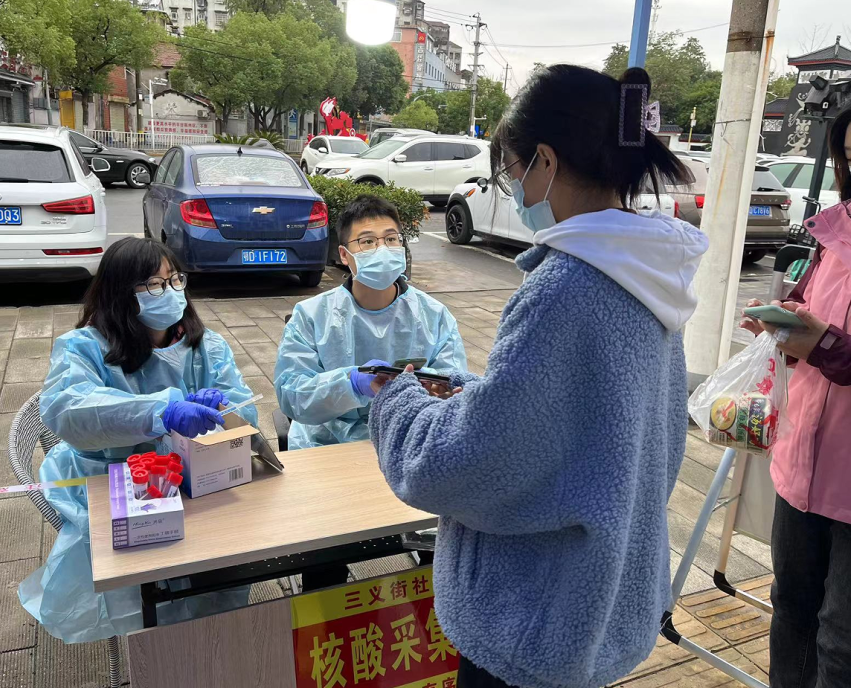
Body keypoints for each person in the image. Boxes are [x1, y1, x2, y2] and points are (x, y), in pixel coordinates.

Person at [368, 65, 709, 688]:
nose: (515, 190)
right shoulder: (650, 272)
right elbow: (595, 426)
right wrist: (474, 395)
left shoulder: (565, 286)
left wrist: (399, 402)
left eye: (512, 171)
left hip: (532, 619)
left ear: (545, 162)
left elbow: (471, 463)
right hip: (600, 599)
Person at [19, 237, 258, 643]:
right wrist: (160, 411)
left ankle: (214, 641)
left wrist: (222, 408)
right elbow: (69, 409)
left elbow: (245, 416)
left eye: (175, 280)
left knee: (229, 557)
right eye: (153, 285)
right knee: (150, 575)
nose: (170, 291)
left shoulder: (205, 346)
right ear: (119, 292)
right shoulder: (83, 347)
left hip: (195, 476)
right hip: (109, 480)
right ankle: (161, 642)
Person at [740, 107, 851, 688]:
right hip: (802, 466)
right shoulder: (834, 235)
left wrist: (825, 345)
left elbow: (830, 343)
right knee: (791, 610)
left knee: (841, 642)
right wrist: (781, 330)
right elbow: (808, 313)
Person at [274, 194, 468, 450]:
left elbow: (454, 381)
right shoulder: (311, 315)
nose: (382, 249)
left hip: (407, 439)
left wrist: (432, 387)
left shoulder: (435, 315)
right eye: (367, 241)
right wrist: (351, 383)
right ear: (344, 255)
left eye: (391, 239)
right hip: (327, 444)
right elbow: (292, 396)